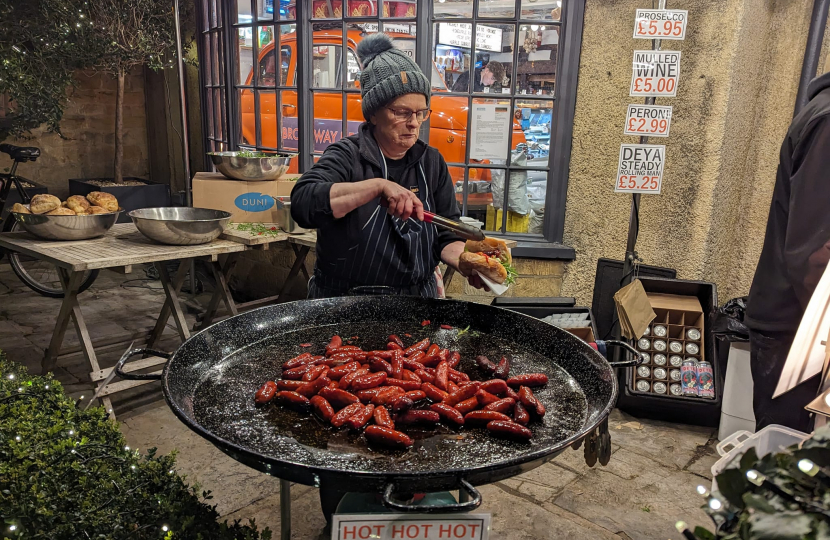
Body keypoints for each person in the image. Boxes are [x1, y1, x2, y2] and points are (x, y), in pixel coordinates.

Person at [291, 32, 484, 523]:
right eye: (401, 112)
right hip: (344, 318)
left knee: (416, 419)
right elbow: (304, 204)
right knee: (344, 431)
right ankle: (347, 516)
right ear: (374, 112)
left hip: (415, 315)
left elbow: (445, 233)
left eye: (420, 112)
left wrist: (463, 260)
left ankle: (408, 514)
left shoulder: (431, 163)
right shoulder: (345, 157)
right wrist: (376, 186)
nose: (413, 123)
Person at [745, 70, 830, 432]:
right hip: (796, 331)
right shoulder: (828, 122)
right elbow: (814, 253)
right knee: (785, 459)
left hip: (803, 325)